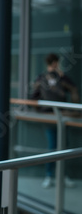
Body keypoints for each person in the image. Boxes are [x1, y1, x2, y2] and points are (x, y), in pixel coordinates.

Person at [30, 53, 80, 188]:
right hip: (55, 116)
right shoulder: (51, 77)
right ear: (54, 63)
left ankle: (58, 176)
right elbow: (73, 89)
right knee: (55, 146)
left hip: (55, 116)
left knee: (59, 146)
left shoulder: (48, 77)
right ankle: (52, 175)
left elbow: (33, 96)